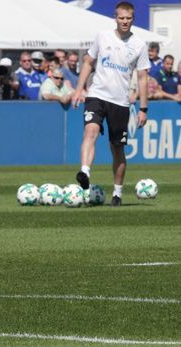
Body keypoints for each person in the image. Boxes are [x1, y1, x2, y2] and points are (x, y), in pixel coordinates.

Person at [72, 1, 149, 207]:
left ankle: (117, 192)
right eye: (121, 18)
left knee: (117, 149)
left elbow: (142, 78)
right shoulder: (102, 36)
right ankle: (85, 172)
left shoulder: (139, 45)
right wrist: (79, 89)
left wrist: (143, 108)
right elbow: (88, 62)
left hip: (120, 103)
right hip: (97, 95)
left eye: (128, 18)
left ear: (133, 19)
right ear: (115, 17)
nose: (124, 21)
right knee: (90, 131)